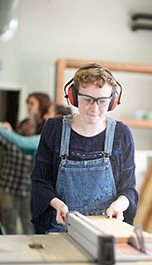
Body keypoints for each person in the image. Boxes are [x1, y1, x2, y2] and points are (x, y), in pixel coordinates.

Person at [31, 63, 138, 233]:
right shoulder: (54, 129)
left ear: (113, 101)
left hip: (106, 228)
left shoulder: (121, 134)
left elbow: (129, 188)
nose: (94, 108)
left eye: (102, 101)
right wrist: (56, 204)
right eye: (87, 99)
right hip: (61, 226)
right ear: (73, 96)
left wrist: (120, 205)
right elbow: (40, 181)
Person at [0, 104, 72, 155]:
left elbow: (22, 142)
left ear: (57, 117)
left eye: (49, 113)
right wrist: (10, 132)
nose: (45, 116)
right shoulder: (55, 137)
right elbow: (24, 148)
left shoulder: (52, 139)